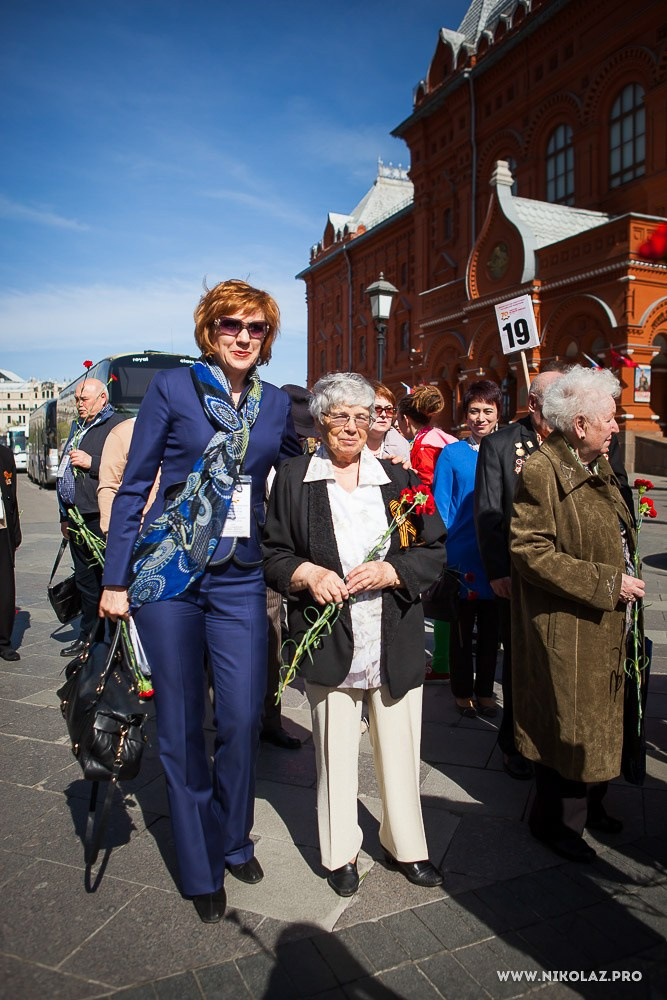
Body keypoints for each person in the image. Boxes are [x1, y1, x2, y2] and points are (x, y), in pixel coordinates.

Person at [99, 279, 301, 923]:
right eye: (229, 326)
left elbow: (299, 477)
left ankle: (234, 836)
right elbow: (134, 486)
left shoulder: (276, 405)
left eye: (255, 329)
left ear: (268, 339)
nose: (242, 337)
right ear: (209, 333)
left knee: (242, 718)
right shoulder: (173, 389)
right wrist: (114, 578)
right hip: (169, 574)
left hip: (241, 575)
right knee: (185, 724)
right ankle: (198, 863)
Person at [263, 372, 447, 898]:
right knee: (334, 754)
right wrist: (307, 575)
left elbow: (433, 552)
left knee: (400, 750)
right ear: (321, 421)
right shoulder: (294, 477)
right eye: (340, 416)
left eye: (361, 416)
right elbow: (273, 554)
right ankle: (340, 850)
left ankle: (406, 845)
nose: (351, 426)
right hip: (329, 639)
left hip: (393, 636)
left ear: (373, 423)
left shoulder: (398, 479)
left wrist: (394, 573)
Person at [510, 366, 644, 862]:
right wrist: (607, 582)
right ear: (582, 423)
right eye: (610, 419)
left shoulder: (597, 462)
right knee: (568, 722)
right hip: (568, 624)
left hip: (607, 620)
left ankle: (593, 805)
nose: (617, 427)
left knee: (600, 717)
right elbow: (529, 550)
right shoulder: (545, 468)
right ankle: (556, 825)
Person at [432, 380, 502, 717]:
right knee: (462, 627)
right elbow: (442, 506)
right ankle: (462, 688)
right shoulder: (452, 454)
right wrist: (442, 550)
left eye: (488, 410)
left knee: (492, 628)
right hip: (462, 552)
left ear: (498, 413)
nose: (481, 417)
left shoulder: (508, 451)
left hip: (498, 554)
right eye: (474, 410)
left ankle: (486, 689)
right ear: (465, 415)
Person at [56, 378, 126, 658]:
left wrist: (91, 462)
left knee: (110, 580)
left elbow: (127, 468)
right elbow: (63, 470)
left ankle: (115, 642)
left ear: (102, 399)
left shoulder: (118, 426)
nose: (79, 405)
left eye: (84, 399)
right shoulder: (77, 427)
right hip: (76, 517)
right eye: (76, 399)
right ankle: (89, 638)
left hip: (102, 517)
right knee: (85, 583)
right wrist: (64, 513)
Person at [398, 385, 457, 680]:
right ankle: (447, 659)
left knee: (439, 596)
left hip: (436, 523)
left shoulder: (422, 444)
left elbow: (425, 489)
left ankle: (443, 661)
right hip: (457, 520)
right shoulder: (445, 436)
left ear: (407, 419)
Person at [97, 418, 160, 534]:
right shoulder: (124, 433)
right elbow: (108, 486)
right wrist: (110, 533)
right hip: (135, 529)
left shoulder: (189, 432)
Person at [397, 385, 456, 488]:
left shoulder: (424, 446)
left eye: (397, 419)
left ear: (406, 419)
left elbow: (425, 488)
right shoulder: (441, 436)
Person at [0, 443, 21, 661]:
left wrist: (15, 530)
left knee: (5, 586)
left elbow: (12, 496)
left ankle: (3, 641)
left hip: (2, 528)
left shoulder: (5, 454)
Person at [366, 381, 411, 462]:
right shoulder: (349, 441)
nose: (384, 414)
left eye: (389, 409)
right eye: (377, 409)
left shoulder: (402, 445)